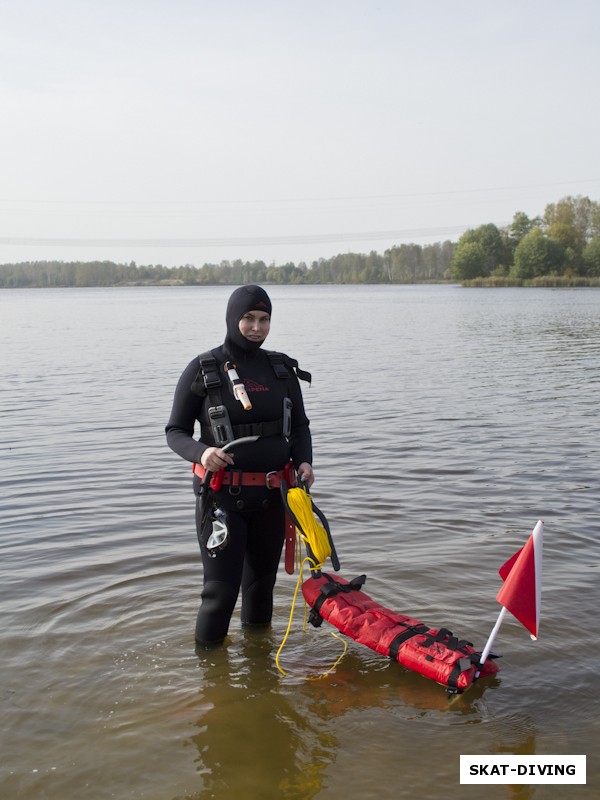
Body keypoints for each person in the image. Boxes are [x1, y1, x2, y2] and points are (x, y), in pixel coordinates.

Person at [165, 285, 313, 645]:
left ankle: (258, 677)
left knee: (262, 588)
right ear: (233, 319)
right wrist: (202, 454)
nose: (256, 327)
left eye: (264, 320)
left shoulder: (281, 369)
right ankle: (210, 681)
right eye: (248, 318)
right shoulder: (203, 369)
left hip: (273, 497)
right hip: (222, 500)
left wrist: (305, 461)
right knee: (220, 594)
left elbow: (300, 427)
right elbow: (176, 432)